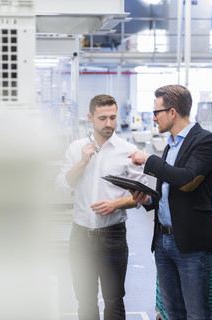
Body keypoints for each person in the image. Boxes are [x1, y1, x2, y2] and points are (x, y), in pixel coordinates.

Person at [128, 84, 212, 320]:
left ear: (172, 112)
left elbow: (188, 180)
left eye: (157, 111)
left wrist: (149, 160)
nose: (154, 117)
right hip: (163, 241)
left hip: (190, 244)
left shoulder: (206, 141)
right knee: (174, 312)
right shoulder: (170, 145)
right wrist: (147, 199)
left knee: (196, 314)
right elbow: (168, 191)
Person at [56, 94, 147, 320]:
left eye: (112, 118)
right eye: (102, 118)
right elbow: (62, 185)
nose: (108, 123)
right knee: (85, 300)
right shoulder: (76, 148)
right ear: (90, 118)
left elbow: (144, 195)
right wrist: (83, 162)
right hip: (80, 236)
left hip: (113, 236)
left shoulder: (128, 150)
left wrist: (117, 203)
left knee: (114, 300)